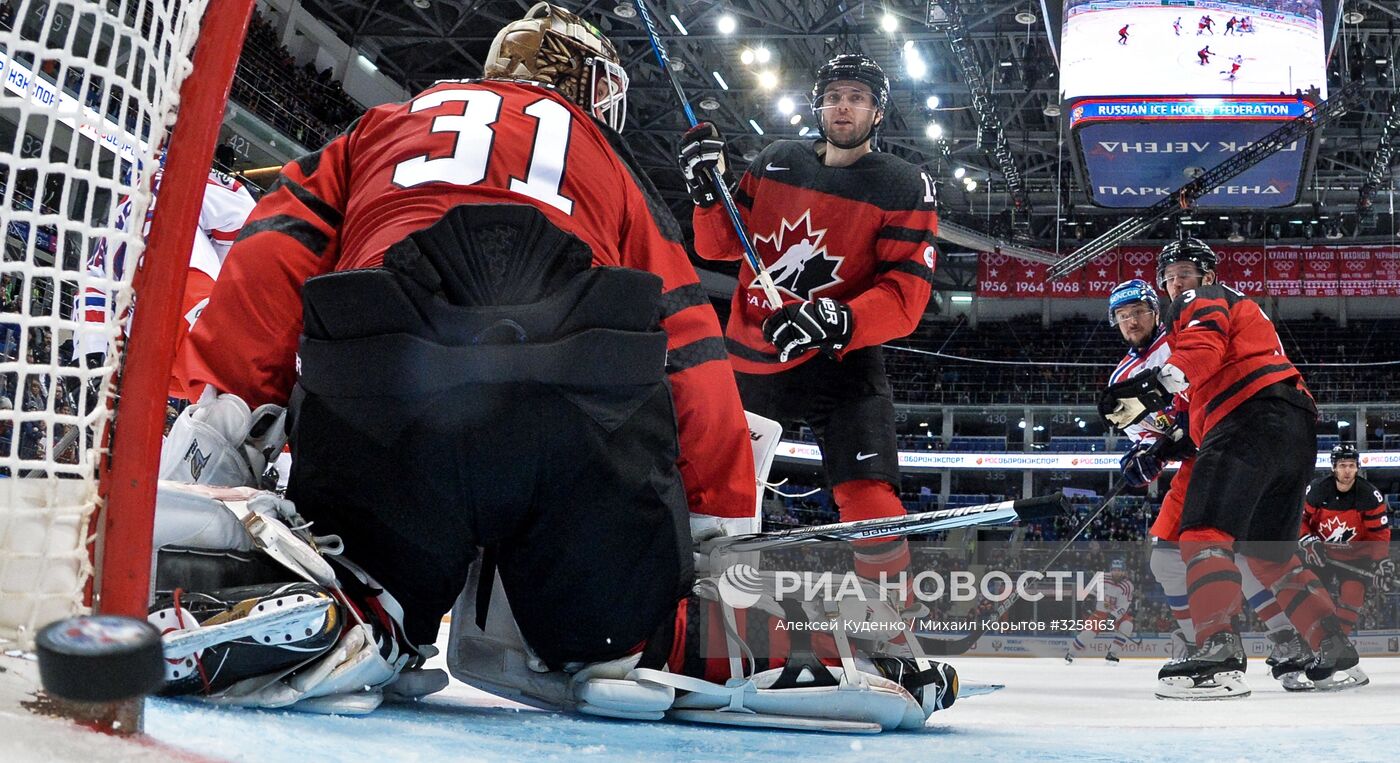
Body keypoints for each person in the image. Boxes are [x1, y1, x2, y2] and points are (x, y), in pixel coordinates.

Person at [154, 3, 952, 729]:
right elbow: (690, 347)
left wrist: (224, 421)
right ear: (590, 88)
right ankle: (702, 641)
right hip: (569, 423)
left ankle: (358, 610)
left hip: (388, 390)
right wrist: (709, 527)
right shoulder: (611, 170)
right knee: (619, 630)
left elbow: (268, 262)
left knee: (375, 574)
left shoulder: (382, 127)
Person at [678, 53, 938, 607]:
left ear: (877, 112)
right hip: (750, 356)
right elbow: (719, 245)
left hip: (840, 361)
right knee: (711, 492)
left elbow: (906, 295)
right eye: (835, 95)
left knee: (869, 494)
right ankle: (689, 612)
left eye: (858, 98)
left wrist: (841, 318)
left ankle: (890, 626)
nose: (843, 107)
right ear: (818, 104)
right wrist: (706, 194)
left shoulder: (902, 184)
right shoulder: (777, 160)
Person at [1100, 238, 1362, 698]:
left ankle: (1217, 652)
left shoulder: (1201, 301)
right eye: (1169, 277)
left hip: (1245, 419)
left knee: (1200, 533)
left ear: (1207, 275)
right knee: (1269, 555)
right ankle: (1331, 644)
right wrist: (1157, 450)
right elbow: (1186, 417)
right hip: (1292, 428)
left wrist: (1159, 386)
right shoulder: (1229, 308)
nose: (1175, 283)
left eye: (1184, 272)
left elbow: (1202, 348)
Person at [76, 146, 256, 399]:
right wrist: (222, 273)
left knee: (204, 410)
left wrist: (91, 355)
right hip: (187, 294)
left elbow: (91, 289)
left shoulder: (110, 229)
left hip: (145, 345)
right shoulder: (175, 181)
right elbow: (243, 213)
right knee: (234, 399)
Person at [1298, 443, 1393, 686]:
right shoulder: (1318, 490)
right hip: (1321, 555)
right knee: (1314, 598)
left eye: (1351, 465)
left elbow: (1378, 534)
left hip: (1355, 557)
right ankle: (1313, 647)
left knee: (1353, 596)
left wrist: (1381, 561)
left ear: (1358, 468)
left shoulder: (1369, 495)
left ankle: (1335, 651)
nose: (1347, 470)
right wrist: (1308, 539)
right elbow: (1301, 520)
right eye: (1342, 465)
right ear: (1333, 468)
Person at [1065, 559, 1135, 664]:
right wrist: (1088, 600)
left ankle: (1112, 654)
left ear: (1124, 572)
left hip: (1116, 614)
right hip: (1100, 612)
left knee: (1127, 626)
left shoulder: (1128, 586)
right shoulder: (1101, 577)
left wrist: (1113, 617)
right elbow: (1092, 591)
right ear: (1110, 570)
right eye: (1114, 570)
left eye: (1119, 570)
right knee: (1087, 634)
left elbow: (1123, 605)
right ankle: (1070, 654)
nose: (1116, 572)